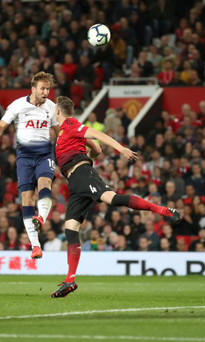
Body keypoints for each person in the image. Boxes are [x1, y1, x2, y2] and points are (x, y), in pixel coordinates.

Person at [50, 96, 181, 298]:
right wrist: (88, 155)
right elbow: (97, 149)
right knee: (70, 229)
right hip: (75, 183)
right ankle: (70, 280)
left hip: (82, 175)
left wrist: (122, 149)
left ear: (58, 111)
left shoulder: (70, 124)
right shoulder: (67, 132)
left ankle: (162, 210)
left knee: (113, 199)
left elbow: (98, 135)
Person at [0, 71, 59, 260]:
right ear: (33, 89)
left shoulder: (51, 107)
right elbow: (2, 125)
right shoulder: (18, 105)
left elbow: (58, 131)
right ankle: (35, 246)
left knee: (45, 184)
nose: (46, 92)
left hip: (44, 155)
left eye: (48, 89)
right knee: (27, 199)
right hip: (24, 158)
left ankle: (41, 218)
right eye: (42, 88)